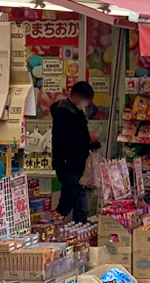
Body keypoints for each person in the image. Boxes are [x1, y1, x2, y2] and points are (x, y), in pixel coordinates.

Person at [50, 81, 98, 223]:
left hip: (74, 162)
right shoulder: (64, 113)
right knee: (69, 197)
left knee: (77, 196)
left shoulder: (73, 111)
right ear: (77, 97)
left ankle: (80, 223)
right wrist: (86, 139)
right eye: (86, 100)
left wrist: (88, 140)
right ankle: (55, 223)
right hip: (67, 162)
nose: (87, 104)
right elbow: (69, 138)